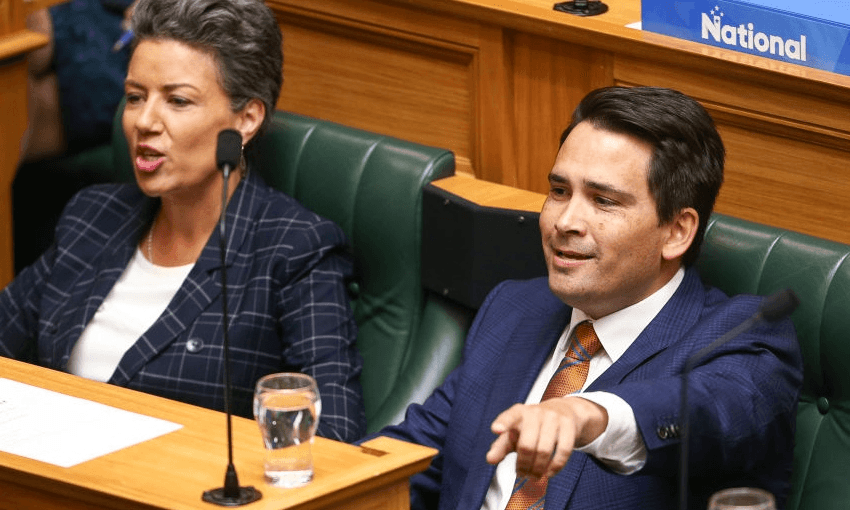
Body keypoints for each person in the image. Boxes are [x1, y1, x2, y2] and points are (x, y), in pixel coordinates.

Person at [376, 86, 803, 509]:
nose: (565, 221)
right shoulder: (514, 308)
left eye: (602, 201)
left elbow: (711, 413)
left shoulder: (743, 338)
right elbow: (413, 460)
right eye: (560, 192)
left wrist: (585, 414)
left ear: (677, 231)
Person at [1, 0, 366, 443]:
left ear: (246, 119)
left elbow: (334, 439)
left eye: (177, 101)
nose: (144, 122)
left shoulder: (294, 250)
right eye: (135, 97)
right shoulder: (92, 216)